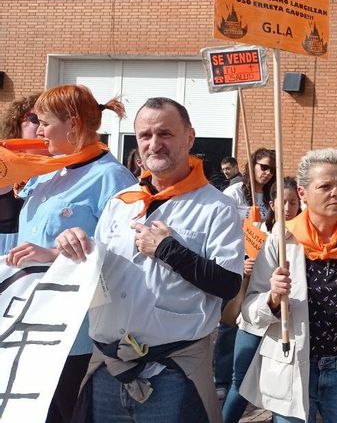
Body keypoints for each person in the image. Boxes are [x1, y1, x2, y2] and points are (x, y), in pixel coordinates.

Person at [54, 97, 244, 422]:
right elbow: (97, 275)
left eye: (165, 134)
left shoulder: (217, 207)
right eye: (145, 135)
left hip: (172, 374)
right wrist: (69, 250)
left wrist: (169, 251)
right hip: (109, 369)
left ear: (189, 137)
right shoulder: (120, 202)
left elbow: (228, 284)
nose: (154, 144)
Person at [4, 85, 136, 423]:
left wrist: (52, 255)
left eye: (44, 122)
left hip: (75, 336)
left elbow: (124, 259)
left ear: (72, 124)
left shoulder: (112, 178)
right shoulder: (49, 171)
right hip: (31, 323)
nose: (40, 130)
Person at [240, 148, 337, 423]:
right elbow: (249, 311)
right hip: (291, 368)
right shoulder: (280, 241)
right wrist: (273, 299)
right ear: (302, 193)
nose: (336, 192)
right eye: (325, 186)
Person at [221, 176, 300, 423]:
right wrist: (243, 267)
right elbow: (228, 265)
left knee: (282, 389)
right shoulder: (256, 231)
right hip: (253, 320)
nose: (288, 208)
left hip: (283, 325)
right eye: (282, 202)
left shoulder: (301, 238)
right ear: (272, 203)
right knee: (240, 382)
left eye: (293, 203)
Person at [0, 93, 46, 255]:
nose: (42, 127)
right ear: (16, 123)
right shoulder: (2, 165)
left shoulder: (68, 170)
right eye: (35, 119)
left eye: (48, 121)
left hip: (40, 271)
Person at [224, 148, 275, 220]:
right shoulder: (234, 192)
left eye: (272, 170)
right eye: (264, 167)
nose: (268, 173)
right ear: (252, 166)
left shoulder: (272, 196)